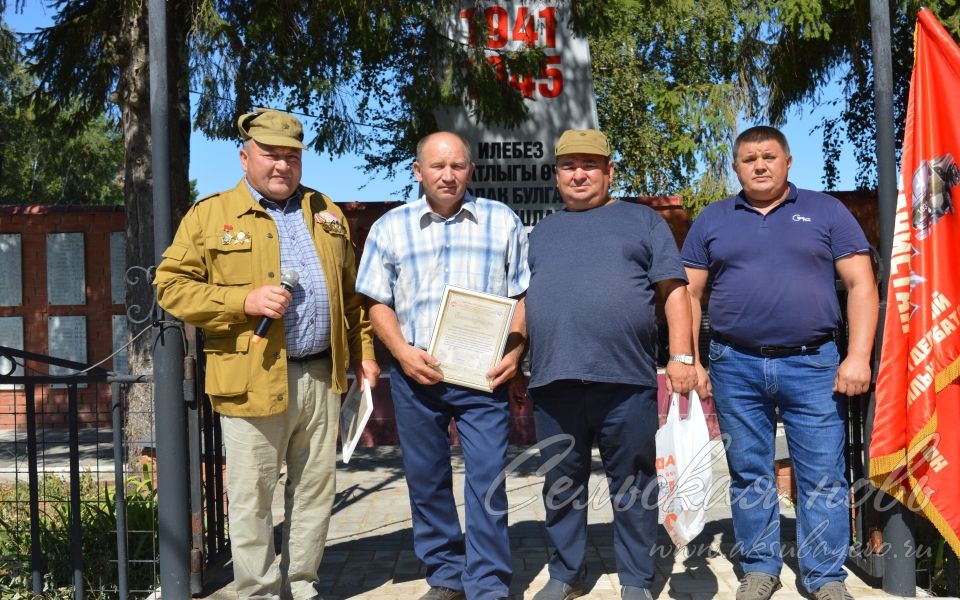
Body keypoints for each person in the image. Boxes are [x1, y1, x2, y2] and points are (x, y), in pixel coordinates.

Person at [154, 108, 379, 600]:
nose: (282, 165)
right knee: (253, 496)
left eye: (291, 156)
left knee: (316, 489)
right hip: (251, 375)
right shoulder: (211, 214)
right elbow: (170, 286)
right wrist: (242, 300)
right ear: (244, 156)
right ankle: (255, 590)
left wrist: (364, 353)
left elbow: (352, 296)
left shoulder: (326, 212)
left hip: (322, 375)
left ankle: (301, 584)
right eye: (271, 154)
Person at [681, 125, 879, 600]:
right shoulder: (712, 219)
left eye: (769, 156)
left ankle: (824, 577)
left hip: (813, 365)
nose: (760, 165)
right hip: (734, 365)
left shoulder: (826, 210)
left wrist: (857, 357)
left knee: (822, 477)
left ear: (788, 161)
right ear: (736, 166)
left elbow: (861, 285)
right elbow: (687, 292)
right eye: (749, 159)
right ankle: (759, 568)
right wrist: (690, 358)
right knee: (750, 472)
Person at [522, 129, 697, 600]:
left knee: (635, 484)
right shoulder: (542, 231)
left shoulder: (642, 221)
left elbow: (674, 291)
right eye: (568, 166)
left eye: (589, 165)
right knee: (561, 483)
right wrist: (512, 352)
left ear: (609, 172)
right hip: (554, 380)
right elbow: (523, 301)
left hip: (626, 381)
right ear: (556, 174)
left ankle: (636, 580)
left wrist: (682, 357)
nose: (579, 174)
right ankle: (565, 573)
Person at [354, 131, 529, 600]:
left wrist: (515, 352)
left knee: (487, 479)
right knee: (427, 479)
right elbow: (376, 303)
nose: (448, 175)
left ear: (470, 170)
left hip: (482, 378)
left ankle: (489, 582)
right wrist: (402, 354)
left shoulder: (501, 220)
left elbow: (519, 296)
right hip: (417, 374)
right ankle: (447, 576)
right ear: (418, 171)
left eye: (457, 166)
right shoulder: (390, 227)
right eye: (437, 166)